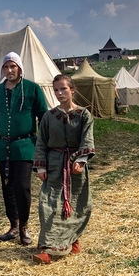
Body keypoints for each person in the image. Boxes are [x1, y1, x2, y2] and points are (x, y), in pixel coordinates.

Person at [0, 52, 48, 245]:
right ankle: (14, 225)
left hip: (25, 146)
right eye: (6, 67)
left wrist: (45, 143)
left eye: (13, 67)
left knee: (22, 187)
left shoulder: (32, 89)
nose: (9, 71)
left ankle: (25, 226)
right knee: (7, 187)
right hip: (3, 146)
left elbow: (43, 116)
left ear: (19, 68)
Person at [32, 74, 95, 264]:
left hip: (75, 164)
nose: (59, 93)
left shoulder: (84, 115)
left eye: (63, 89)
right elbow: (41, 142)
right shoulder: (48, 116)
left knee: (77, 203)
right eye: (56, 90)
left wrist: (81, 160)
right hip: (54, 165)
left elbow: (87, 138)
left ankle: (72, 239)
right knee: (48, 205)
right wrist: (41, 167)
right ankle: (47, 249)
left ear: (72, 90)